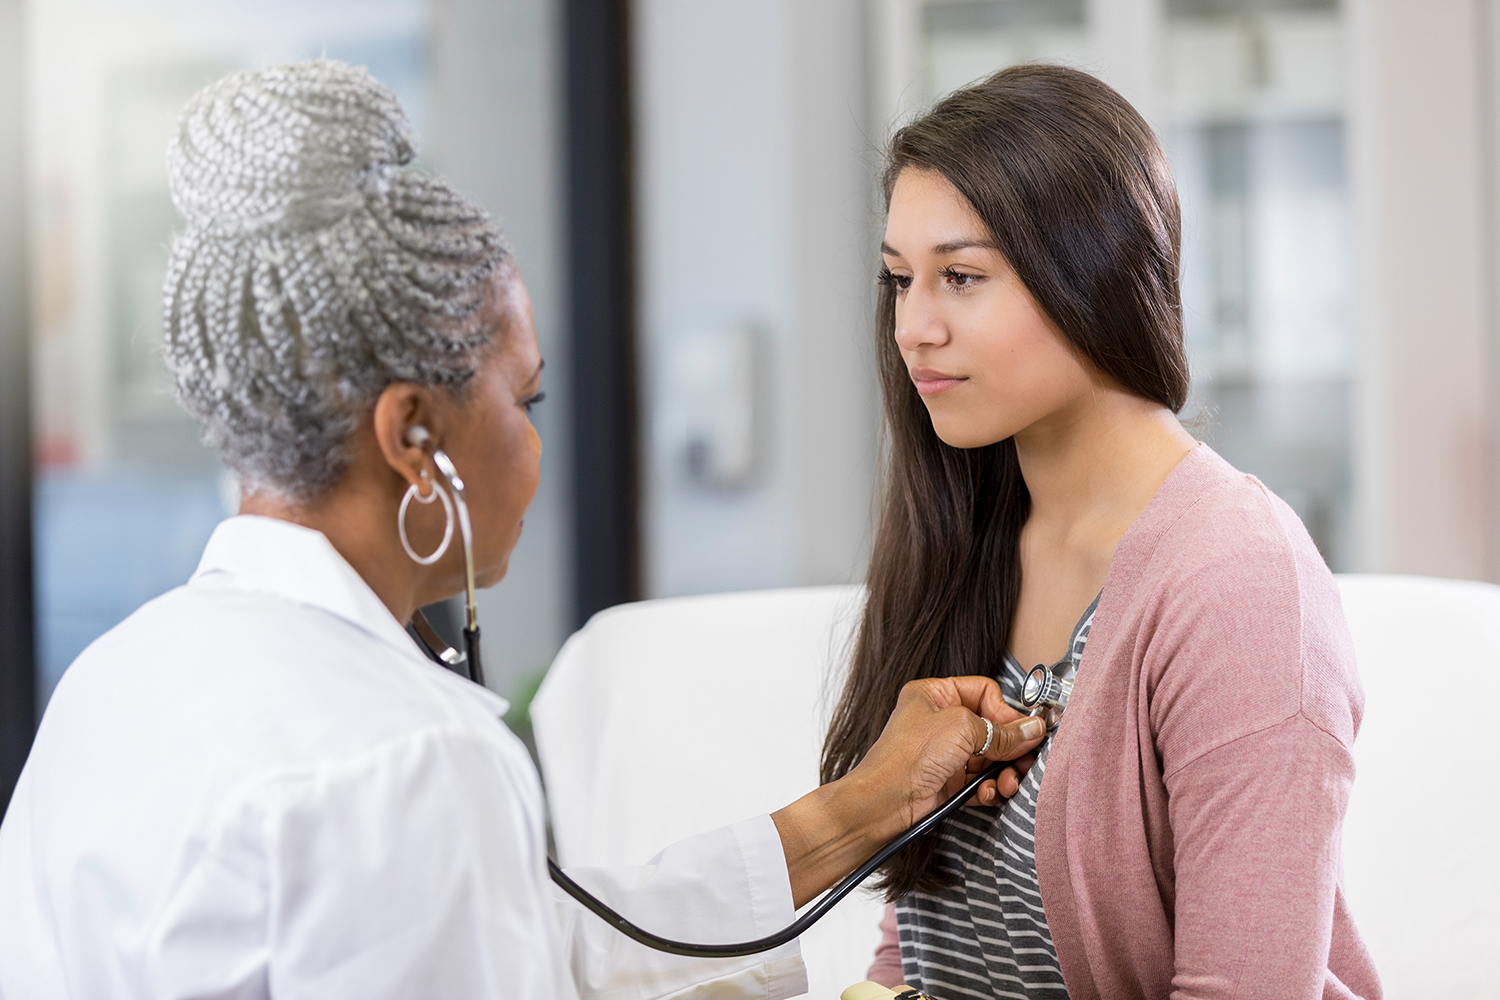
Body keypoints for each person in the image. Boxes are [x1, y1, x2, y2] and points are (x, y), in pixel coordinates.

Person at [0, 61, 1048, 1000]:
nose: (537, 450)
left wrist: (861, 810)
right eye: (525, 402)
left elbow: (554, 938)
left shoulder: (114, 681)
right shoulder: (408, 756)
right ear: (415, 432)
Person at [823, 65, 1381, 1000]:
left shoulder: (1240, 582)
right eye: (899, 280)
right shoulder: (972, 532)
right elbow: (925, 937)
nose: (913, 326)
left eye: (960, 277)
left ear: (1094, 273)